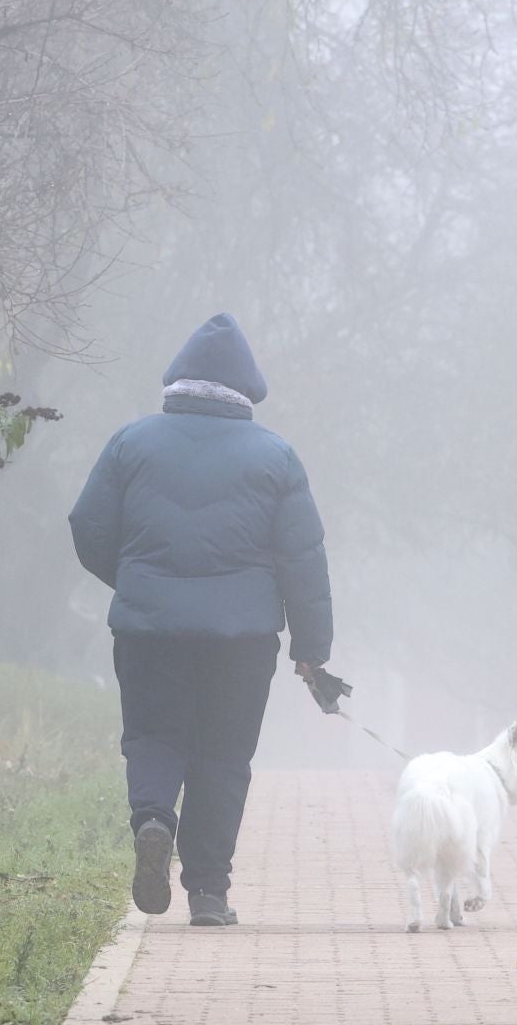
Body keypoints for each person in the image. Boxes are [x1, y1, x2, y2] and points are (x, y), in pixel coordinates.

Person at [68, 313, 333, 927]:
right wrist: (311, 647)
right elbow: (303, 558)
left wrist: (137, 581)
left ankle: (155, 819)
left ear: (178, 380)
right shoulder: (276, 456)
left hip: (148, 629)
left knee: (154, 736)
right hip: (241, 641)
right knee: (223, 755)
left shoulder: (131, 442)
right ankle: (209, 893)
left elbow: (88, 526)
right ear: (247, 388)